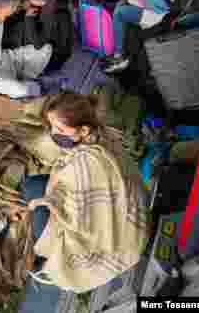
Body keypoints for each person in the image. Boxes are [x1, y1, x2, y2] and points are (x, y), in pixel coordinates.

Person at [24, 92, 151, 292]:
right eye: (51, 127)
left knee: (34, 197)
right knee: (34, 186)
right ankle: (39, 255)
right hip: (129, 211)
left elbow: (80, 220)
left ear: (82, 130)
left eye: (59, 129)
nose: (53, 134)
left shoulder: (87, 162)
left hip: (121, 241)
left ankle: (43, 260)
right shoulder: (100, 134)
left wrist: (54, 203)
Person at [102, 0, 187, 74]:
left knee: (119, 12)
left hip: (151, 14)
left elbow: (151, 3)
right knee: (120, 4)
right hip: (147, 2)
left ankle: (118, 56)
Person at [8, 0, 73, 72]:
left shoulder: (52, 16)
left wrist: (29, 17)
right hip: (38, 46)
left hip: (49, 58)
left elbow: (38, 44)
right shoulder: (49, 8)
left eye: (36, 6)